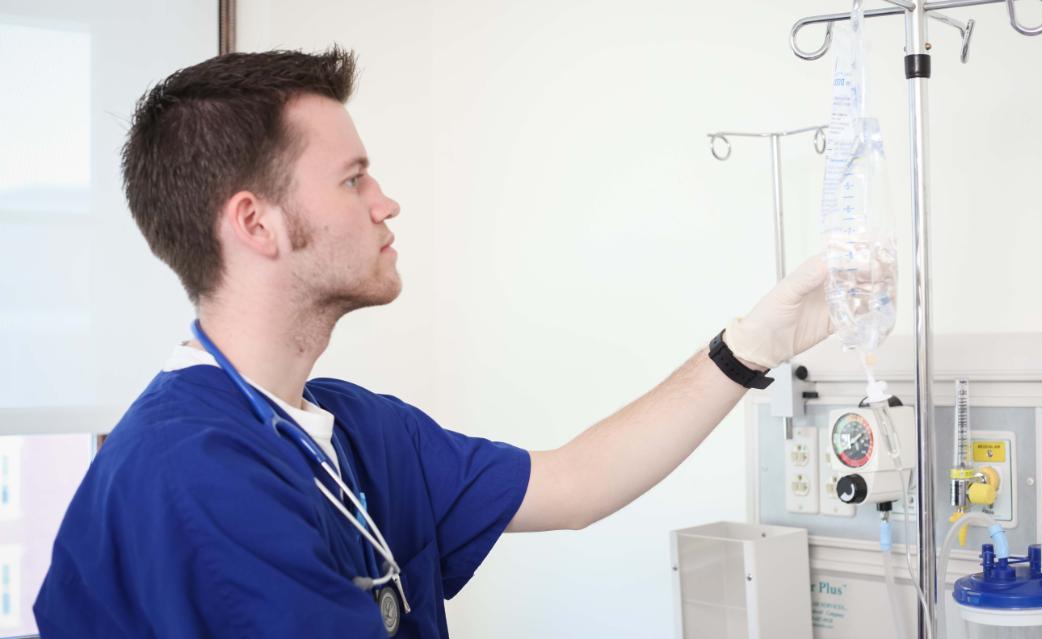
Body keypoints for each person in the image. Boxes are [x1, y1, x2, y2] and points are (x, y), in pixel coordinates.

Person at [33, 47, 832, 638]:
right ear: (256, 223)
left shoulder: (350, 428)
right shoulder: (194, 473)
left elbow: (576, 482)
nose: (386, 202)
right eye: (353, 178)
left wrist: (751, 345)